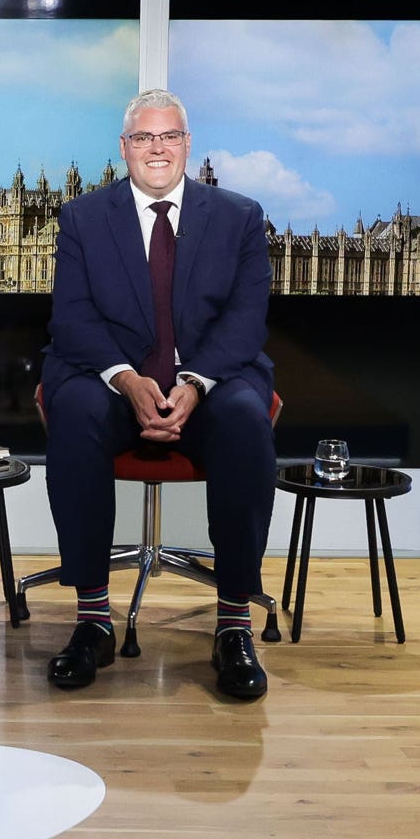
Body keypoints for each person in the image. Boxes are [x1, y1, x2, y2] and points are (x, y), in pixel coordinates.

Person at [40, 90, 278, 701]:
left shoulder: (240, 216)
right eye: (144, 138)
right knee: (73, 410)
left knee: (247, 419)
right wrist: (126, 378)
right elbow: (71, 319)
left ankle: (234, 623)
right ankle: (92, 618)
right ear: (124, 148)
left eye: (168, 136)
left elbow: (246, 323)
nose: (157, 149)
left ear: (187, 144)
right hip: (112, 381)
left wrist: (194, 383)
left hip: (212, 379)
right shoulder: (84, 218)